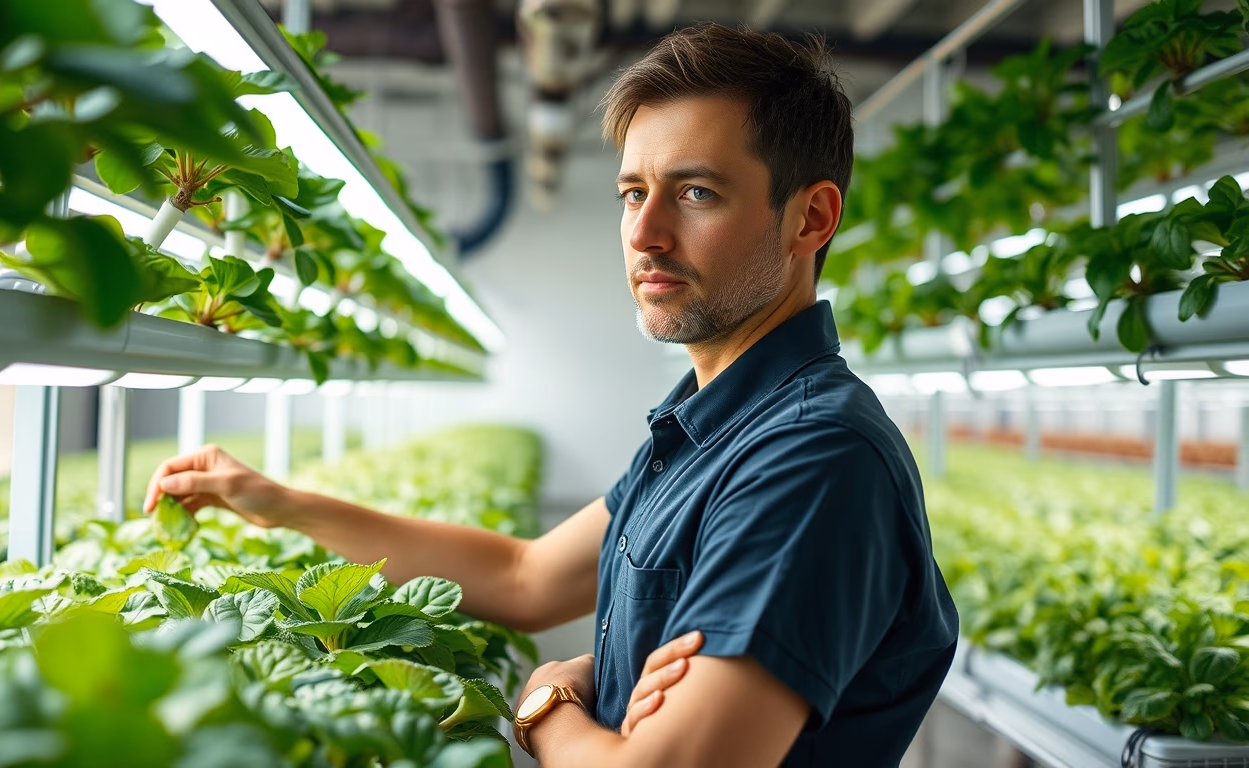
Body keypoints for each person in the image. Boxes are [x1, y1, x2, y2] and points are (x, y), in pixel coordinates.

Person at [145, 22, 958, 768]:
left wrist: (546, 702)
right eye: (633, 193)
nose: (645, 234)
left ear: (810, 218)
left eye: (697, 192)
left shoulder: (812, 457)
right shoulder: (710, 429)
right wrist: (275, 502)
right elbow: (525, 577)